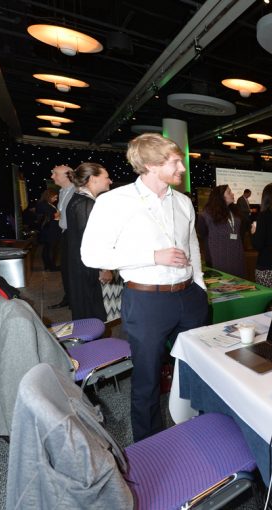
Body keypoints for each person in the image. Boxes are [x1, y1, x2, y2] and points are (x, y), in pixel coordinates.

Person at [82, 133, 208, 441]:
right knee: (147, 377)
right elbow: (91, 255)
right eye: (175, 162)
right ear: (150, 165)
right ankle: (150, 444)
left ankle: (199, 429)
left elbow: (191, 243)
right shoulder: (114, 201)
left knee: (198, 369)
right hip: (146, 300)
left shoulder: (182, 201)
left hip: (189, 296)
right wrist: (152, 257)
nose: (182, 168)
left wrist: (200, 285)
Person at [65, 162, 113, 321]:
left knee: (87, 310)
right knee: (91, 311)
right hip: (88, 269)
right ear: (93, 179)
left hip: (81, 265)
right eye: (106, 177)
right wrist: (104, 268)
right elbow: (91, 242)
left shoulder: (79, 199)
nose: (110, 181)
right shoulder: (86, 203)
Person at [196, 185, 246, 278]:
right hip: (218, 257)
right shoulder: (207, 214)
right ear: (220, 196)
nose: (232, 194)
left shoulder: (235, 211)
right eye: (229, 192)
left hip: (236, 255)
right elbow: (201, 233)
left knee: (238, 284)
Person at [48, 165, 75, 309]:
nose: (52, 177)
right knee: (65, 269)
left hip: (74, 235)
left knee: (73, 270)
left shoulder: (77, 191)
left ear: (67, 175)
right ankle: (68, 297)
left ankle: (74, 299)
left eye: (55, 173)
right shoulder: (62, 191)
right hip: (65, 234)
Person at [251, 182, 272, 289]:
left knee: (268, 302)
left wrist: (253, 232)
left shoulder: (263, 216)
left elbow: (258, 244)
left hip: (266, 265)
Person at [35, 189, 61, 271]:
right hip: (49, 230)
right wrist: (57, 214)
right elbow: (46, 216)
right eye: (55, 197)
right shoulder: (43, 204)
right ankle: (51, 267)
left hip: (50, 229)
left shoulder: (47, 204)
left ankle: (49, 266)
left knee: (48, 248)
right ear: (49, 196)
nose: (56, 199)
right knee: (50, 249)